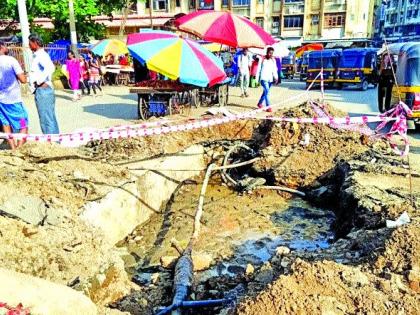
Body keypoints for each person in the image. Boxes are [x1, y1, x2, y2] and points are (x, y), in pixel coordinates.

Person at [28, 33, 59, 134]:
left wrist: (39, 81)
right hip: (42, 90)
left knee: (46, 119)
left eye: (30, 43)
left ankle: (52, 143)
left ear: (35, 43)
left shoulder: (41, 55)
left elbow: (50, 68)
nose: (29, 46)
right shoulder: (38, 55)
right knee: (47, 117)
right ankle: (54, 141)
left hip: (43, 90)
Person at [0, 41, 29, 149]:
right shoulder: (11, 60)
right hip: (13, 99)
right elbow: (23, 80)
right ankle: (19, 147)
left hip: (1, 100)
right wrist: (25, 76)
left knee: (5, 123)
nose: (7, 47)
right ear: (2, 47)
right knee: (23, 122)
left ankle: (12, 147)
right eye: (5, 45)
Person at [256, 47, 278, 112]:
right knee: (267, 92)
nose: (270, 54)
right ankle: (268, 107)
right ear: (267, 52)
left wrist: (276, 77)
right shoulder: (262, 59)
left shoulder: (273, 60)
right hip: (263, 78)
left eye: (272, 53)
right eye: (269, 53)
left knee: (265, 92)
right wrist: (257, 79)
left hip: (270, 79)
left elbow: (274, 70)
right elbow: (258, 69)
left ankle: (260, 103)